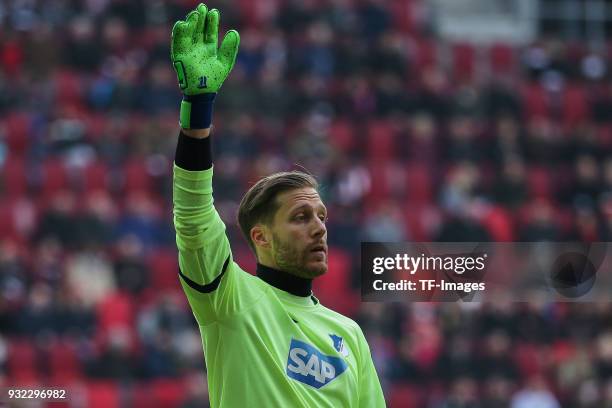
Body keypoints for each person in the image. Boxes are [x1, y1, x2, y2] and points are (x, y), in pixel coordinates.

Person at [171, 4, 385, 407]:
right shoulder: (229, 298)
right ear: (261, 237)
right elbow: (194, 215)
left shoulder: (349, 335)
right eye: (301, 218)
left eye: (321, 216)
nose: (319, 228)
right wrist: (197, 115)